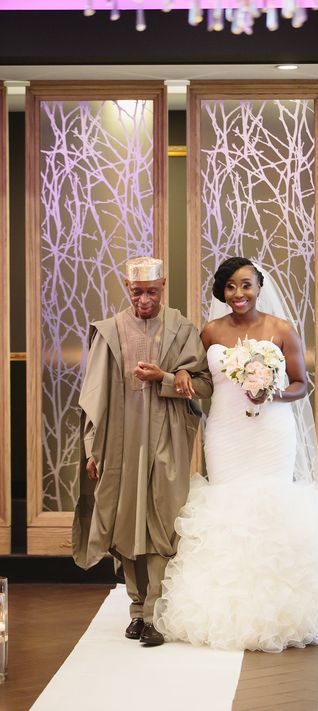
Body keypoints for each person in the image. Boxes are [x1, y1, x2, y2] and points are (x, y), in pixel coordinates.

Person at [153, 257, 318, 652]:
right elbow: (199, 379)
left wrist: (273, 393)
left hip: (271, 430)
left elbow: (302, 384)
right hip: (226, 432)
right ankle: (226, 608)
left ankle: (284, 609)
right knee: (228, 508)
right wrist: (181, 374)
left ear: (259, 286)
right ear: (222, 291)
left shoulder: (281, 329)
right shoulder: (210, 332)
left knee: (272, 504)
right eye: (231, 286)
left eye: (246, 285)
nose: (239, 294)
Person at [72, 256, 213, 646]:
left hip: (167, 439)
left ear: (163, 285)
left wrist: (168, 377)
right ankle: (136, 609)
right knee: (126, 523)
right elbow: (93, 398)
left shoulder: (183, 329)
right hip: (119, 440)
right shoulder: (109, 332)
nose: (145, 299)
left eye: (152, 291)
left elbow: (203, 387)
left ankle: (155, 613)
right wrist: (91, 450)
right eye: (138, 292)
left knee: (162, 523)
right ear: (127, 288)